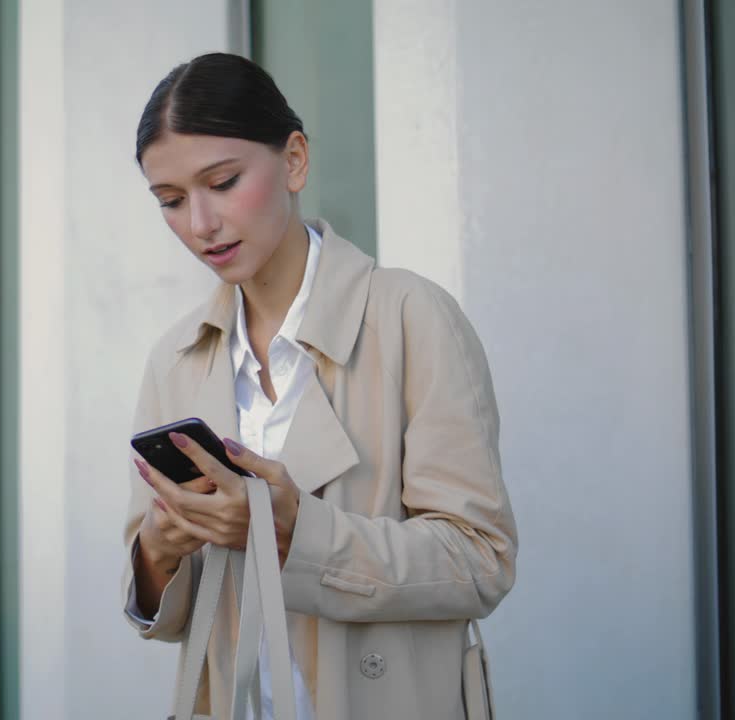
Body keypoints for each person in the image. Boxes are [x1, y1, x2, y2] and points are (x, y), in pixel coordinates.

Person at [121, 52, 517, 719]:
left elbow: (480, 560)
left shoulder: (410, 317)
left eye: (222, 182)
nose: (199, 224)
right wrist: (158, 549)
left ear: (295, 160)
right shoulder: (178, 359)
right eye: (171, 200)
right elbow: (170, 611)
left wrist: (297, 531)